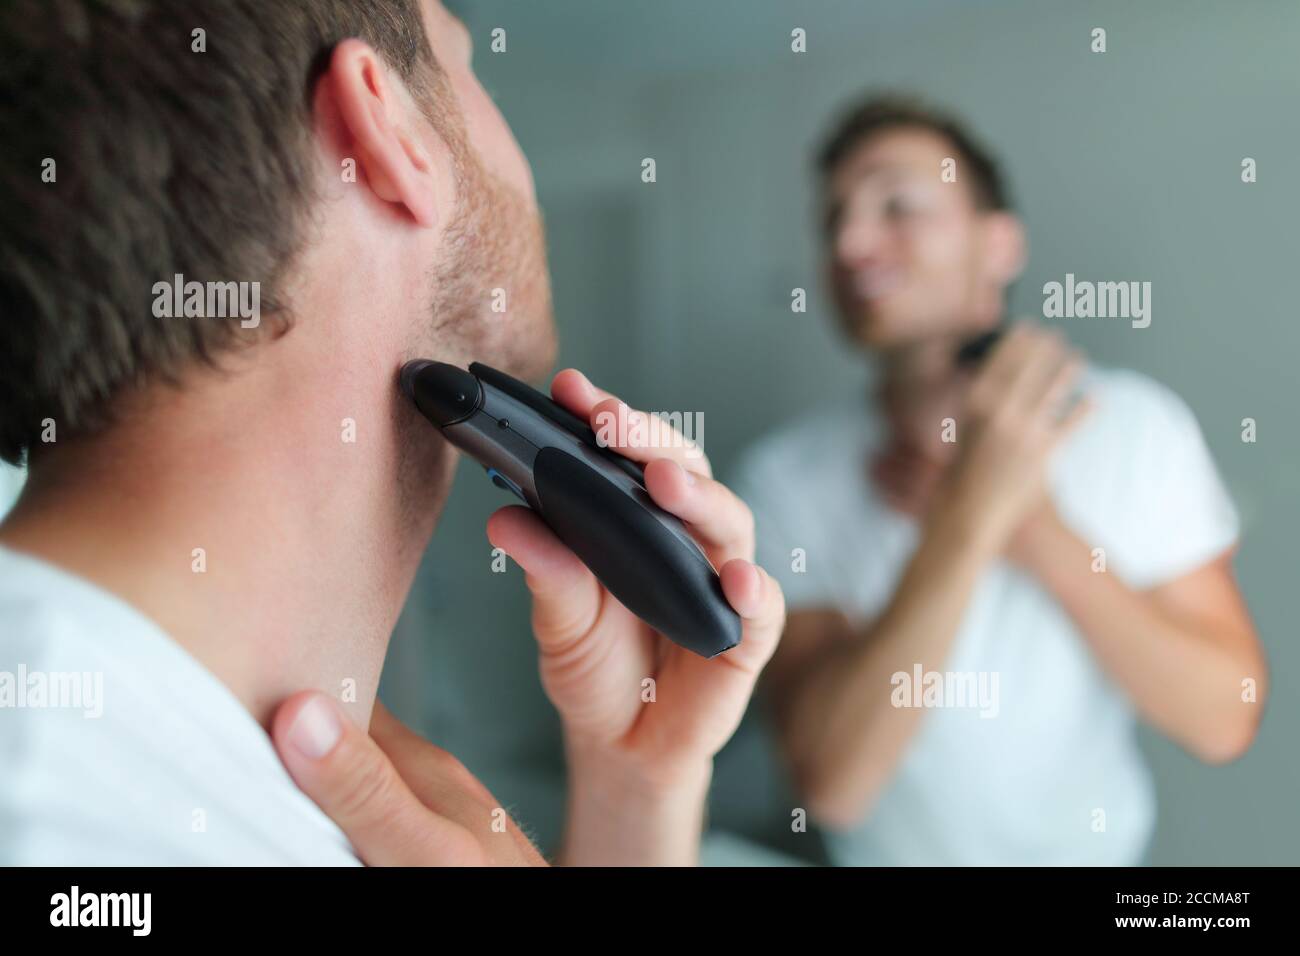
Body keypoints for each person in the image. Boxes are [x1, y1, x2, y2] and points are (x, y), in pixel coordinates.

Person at [0, 0, 783, 866]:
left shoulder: (128, 745)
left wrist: (635, 782)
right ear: (383, 133)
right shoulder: (53, 804)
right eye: (468, 60)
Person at [733, 96, 1266, 866]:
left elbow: (1225, 719)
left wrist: (1032, 530)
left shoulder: (1136, 429)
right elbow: (834, 783)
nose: (850, 242)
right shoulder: (785, 480)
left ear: (999, 245)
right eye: (834, 219)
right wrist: (966, 517)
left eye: (898, 205)